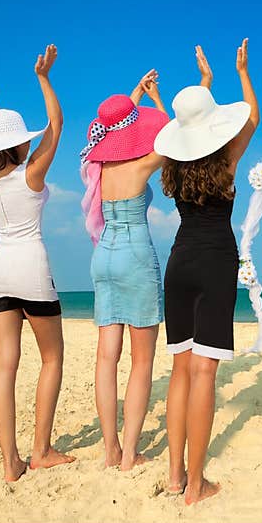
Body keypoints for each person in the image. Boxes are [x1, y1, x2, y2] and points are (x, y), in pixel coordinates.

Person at [0, 45, 75, 481]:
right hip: (30, 266)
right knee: (52, 358)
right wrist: (44, 79)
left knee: (4, 365)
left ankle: (11, 463)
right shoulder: (32, 173)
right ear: (21, 142)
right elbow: (58, 125)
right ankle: (40, 450)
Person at [156, 39, 259, 504]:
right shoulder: (227, 164)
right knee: (203, 375)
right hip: (217, 259)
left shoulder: (174, 169)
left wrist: (204, 86)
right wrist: (240, 74)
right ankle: (196, 486)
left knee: (180, 370)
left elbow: (192, 132)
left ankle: (175, 475)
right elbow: (251, 118)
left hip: (179, 262)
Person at [80, 68, 171, 471]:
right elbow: (173, 137)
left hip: (103, 257)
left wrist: (132, 95)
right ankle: (131, 453)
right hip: (135, 253)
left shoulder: (97, 167)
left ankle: (110, 449)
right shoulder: (139, 167)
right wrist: (155, 100)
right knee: (141, 361)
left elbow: (111, 125)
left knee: (106, 358)